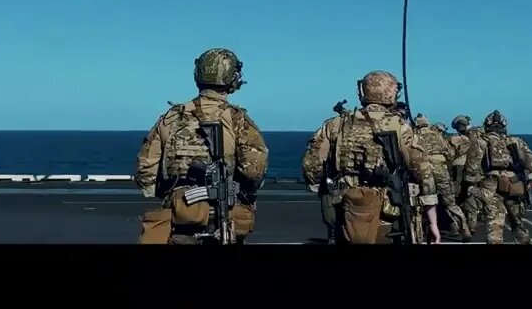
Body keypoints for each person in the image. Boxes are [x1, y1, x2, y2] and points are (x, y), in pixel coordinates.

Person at [134, 48, 269, 245]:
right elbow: (254, 170)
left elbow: (145, 170)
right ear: (232, 78)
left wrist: (173, 195)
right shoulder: (236, 118)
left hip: (180, 220)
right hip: (224, 217)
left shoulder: (171, 118)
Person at [301, 71, 440, 244]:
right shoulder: (399, 125)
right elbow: (423, 171)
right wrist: (432, 219)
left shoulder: (335, 124)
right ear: (391, 92)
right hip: (386, 211)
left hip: (345, 209)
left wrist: (322, 188)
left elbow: (311, 164)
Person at [463, 110, 532, 244]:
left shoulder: (481, 142)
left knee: (495, 224)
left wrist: (469, 185)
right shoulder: (517, 141)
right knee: (518, 222)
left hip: (490, 186)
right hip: (514, 185)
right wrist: (527, 181)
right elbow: (531, 164)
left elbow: (471, 167)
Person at [413, 114, 469, 240]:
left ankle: (426, 230)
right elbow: (448, 152)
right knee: (450, 202)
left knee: (427, 200)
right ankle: (464, 228)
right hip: (441, 168)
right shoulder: (437, 135)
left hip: (425, 167)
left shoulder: (415, 135)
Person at [313, 99, 351, 244]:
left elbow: (316, 155)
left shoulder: (330, 125)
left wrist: (314, 179)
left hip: (332, 180)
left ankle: (333, 236)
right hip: (360, 184)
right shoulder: (365, 125)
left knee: (331, 217)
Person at [449, 114, 481, 240]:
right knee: (470, 196)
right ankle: (472, 224)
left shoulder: (456, 139)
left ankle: (458, 225)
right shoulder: (477, 135)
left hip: (459, 168)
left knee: (455, 197)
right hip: (474, 169)